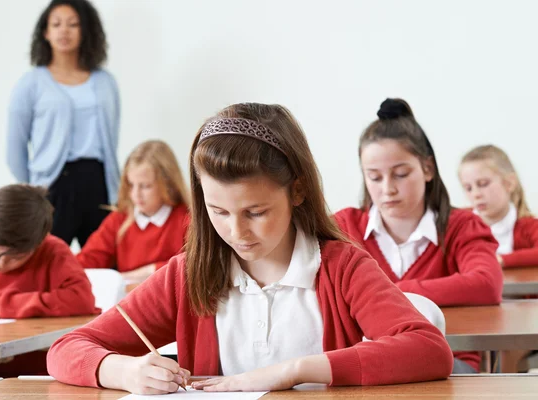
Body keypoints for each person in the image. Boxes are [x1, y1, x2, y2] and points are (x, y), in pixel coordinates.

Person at [47, 103, 452, 394]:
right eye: (218, 211)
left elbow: (429, 350)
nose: (236, 231)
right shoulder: (188, 274)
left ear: (297, 191)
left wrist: (291, 372)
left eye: (255, 211)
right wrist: (121, 371)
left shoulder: (342, 267)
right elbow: (66, 349)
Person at [334, 98, 503, 374]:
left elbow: (486, 283)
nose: (387, 189)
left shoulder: (461, 225)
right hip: (366, 367)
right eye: (374, 177)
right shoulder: (343, 227)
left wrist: (385, 292)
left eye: (400, 174)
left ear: (427, 169)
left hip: (446, 363)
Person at [0, 184, 99, 381]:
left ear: (40, 240)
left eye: (17, 256)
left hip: (39, 381)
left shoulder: (53, 251)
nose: (1, 263)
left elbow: (82, 299)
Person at [7, 0, 120, 246]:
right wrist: (36, 188)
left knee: (103, 264)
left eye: (73, 24)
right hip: (52, 186)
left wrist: (116, 188)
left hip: (97, 182)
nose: (64, 31)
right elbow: (14, 148)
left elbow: (112, 141)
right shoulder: (31, 83)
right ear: (46, 32)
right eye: (56, 24)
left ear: (85, 30)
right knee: (46, 261)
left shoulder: (105, 82)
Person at [77, 140, 189, 284]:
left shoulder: (187, 219)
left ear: (167, 184)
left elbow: (194, 266)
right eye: (131, 185)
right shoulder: (118, 220)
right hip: (127, 303)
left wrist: (149, 271)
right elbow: (88, 259)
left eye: (145, 186)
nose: (136, 194)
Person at [459, 144, 538, 268]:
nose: (476, 194)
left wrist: (499, 260)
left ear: (509, 183)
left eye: (483, 184)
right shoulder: (458, 223)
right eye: (468, 188)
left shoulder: (528, 226)